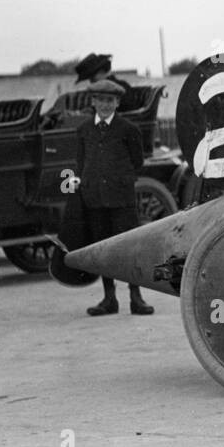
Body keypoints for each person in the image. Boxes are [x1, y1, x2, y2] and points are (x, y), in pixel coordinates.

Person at [74, 79, 153, 316]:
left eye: (110, 101)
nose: (105, 105)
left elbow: (137, 162)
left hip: (121, 199)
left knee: (129, 248)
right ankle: (109, 298)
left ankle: (136, 297)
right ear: (93, 101)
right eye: (100, 100)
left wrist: (118, 179)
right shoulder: (84, 130)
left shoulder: (128, 130)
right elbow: (81, 162)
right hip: (95, 199)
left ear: (118, 102)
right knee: (103, 249)